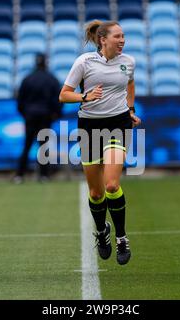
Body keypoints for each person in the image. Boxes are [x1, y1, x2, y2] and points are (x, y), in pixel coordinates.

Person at [59, 20, 141, 265]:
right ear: (103, 39)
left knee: (112, 185)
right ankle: (102, 231)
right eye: (118, 36)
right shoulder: (84, 62)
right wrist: (85, 96)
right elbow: (64, 95)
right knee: (96, 192)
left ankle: (122, 238)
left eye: (124, 36)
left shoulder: (128, 62)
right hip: (90, 127)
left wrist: (130, 109)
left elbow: (130, 84)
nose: (123, 40)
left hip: (118, 124)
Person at [15, 53, 63, 183]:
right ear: (45, 62)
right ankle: (44, 175)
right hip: (45, 116)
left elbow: (20, 100)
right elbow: (59, 99)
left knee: (27, 145)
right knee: (44, 146)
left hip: (30, 116)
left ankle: (19, 175)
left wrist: (25, 114)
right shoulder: (52, 79)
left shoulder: (27, 79)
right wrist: (56, 114)